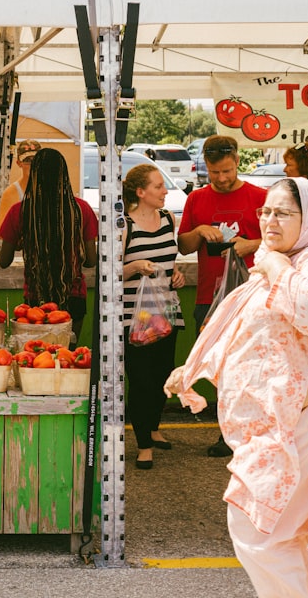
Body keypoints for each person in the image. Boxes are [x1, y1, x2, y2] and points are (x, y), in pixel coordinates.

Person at [165, 177, 308, 597]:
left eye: (283, 213)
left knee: (258, 530)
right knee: (297, 538)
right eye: (266, 211)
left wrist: (277, 267)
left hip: (298, 424)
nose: (270, 220)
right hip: (280, 426)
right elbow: (237, 321)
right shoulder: (275, 258)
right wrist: (191, 368)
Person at [177, 135, 266, 457]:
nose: (222, 179)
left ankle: (256, 431)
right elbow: (183, 246)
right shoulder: (196, 199)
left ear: (238, 160)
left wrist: (251, 244)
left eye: (227, 171)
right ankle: (226, 431)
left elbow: (285, 241)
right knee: (219, 368)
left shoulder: (260, 196)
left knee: (254, 367)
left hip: (254, 295)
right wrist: (199, 232)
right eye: (215, 173)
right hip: (209, 297)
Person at [121, 163, 185, 470]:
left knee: (163, 375)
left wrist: (177, 275)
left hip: (166, 312)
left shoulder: (168, 219)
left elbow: (170, 261)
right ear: (140, 192)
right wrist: (135, 267)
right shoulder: (124, 226)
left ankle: (154, 427)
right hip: (134, 319)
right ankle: (143, 444)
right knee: (142, 379)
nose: (165, 191)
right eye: (159, 186)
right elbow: (108, 274)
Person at [0, 148, 97, 344]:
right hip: (73, 297)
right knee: (68, 356)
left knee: (39, 360)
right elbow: (91, 261)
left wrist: (24, 242)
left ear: (34, 175)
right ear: (64, 174)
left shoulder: (20, 211)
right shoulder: (81, 209)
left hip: (35, 300)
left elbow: (3, 261)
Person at [0, 138, 40, 228]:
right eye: (27, 161)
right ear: (19, 163)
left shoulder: (51, 190)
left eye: (36, 161)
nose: (32, 165)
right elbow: (4, 230)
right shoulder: (11, 194)